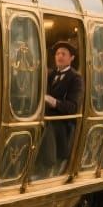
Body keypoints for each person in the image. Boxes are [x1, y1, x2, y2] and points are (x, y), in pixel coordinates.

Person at [35, 40, 83, 176]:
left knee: (49, 127)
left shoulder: (76, 78)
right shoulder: (50, 74)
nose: (59, 56)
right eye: (57, 54)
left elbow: (73, 107)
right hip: (45, 119)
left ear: (71, 58)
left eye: (63, 54)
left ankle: (47, 168)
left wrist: (54, 102)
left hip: (62, 124)